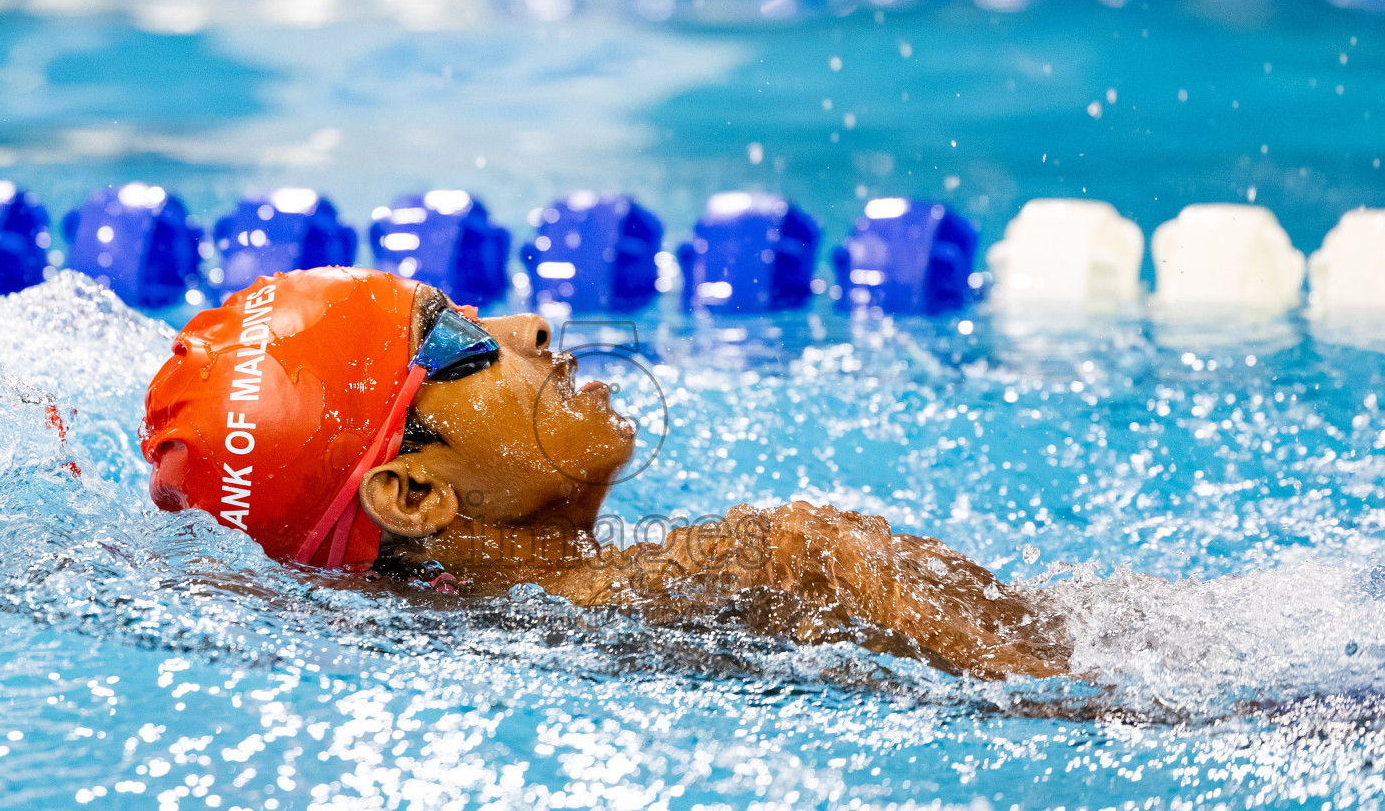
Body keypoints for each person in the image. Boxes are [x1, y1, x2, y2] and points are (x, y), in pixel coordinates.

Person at [142, 267, 1071, 680]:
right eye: (458, 337)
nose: (531, 327)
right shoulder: (776, 559)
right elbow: (1085, 694)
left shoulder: (444, 632)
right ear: (415, 494)